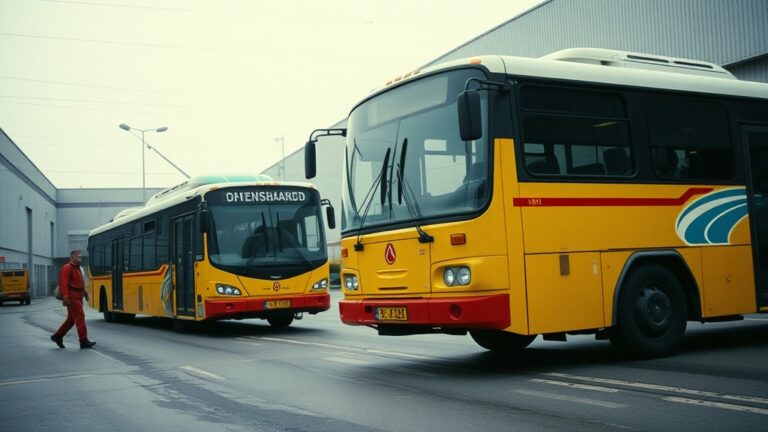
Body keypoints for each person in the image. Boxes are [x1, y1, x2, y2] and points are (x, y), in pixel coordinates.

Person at [50, 250, 96, 349]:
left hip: (78, 296)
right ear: (72, 257)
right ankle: (83, 341)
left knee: (71, 320)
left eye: (81, 257)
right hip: (72, 297)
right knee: (80, 316)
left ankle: (57, 336)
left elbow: (81, 283)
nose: (80, 259)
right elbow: (63, 283)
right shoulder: (67, 268)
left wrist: (85, 293)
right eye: (78, 257)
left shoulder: (78, 268)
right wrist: (66, 297)